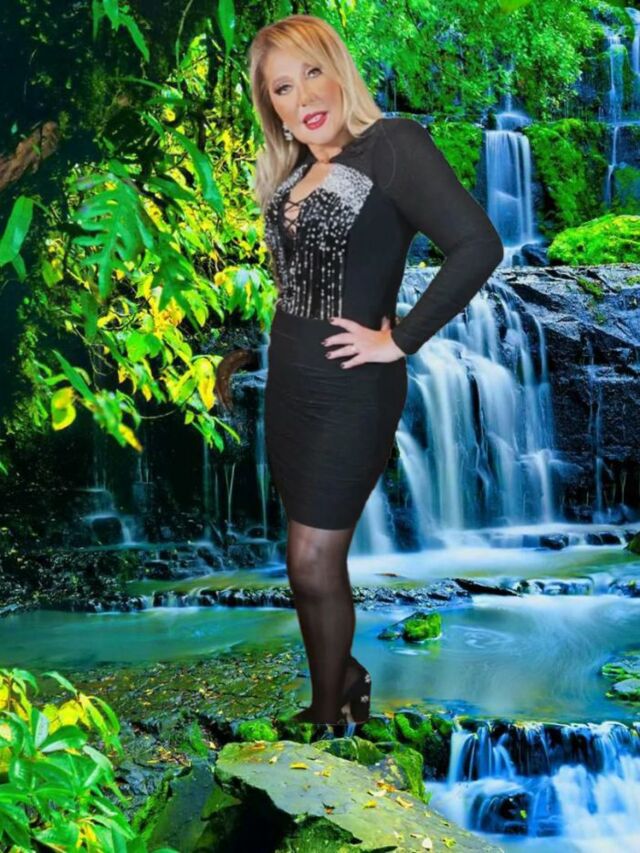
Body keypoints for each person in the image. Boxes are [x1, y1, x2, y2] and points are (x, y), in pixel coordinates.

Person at [220, 14, 503, 726]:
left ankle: (326, 714)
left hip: (354, 388)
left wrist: (400, 340)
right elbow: (303, 281)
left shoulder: (393, 146)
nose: (303, 96)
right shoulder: (291, 171)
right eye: (283, 87)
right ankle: (341, 679)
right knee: (305, 558)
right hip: (290, 385)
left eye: (313, 72)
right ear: (272, 106)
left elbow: (477, 244)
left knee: (313, 558)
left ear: (339, 70)